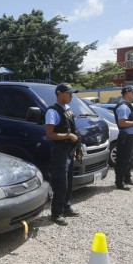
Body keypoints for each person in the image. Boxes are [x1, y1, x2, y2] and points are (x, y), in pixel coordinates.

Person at [45, 83, 81, 226]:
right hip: (59, 151)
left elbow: (73, 129)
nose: (71, 96)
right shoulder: (52, 111)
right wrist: (68, 135)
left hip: (69, 150)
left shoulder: (67, 109)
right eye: (68, 93)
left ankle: (66, 206)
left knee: (69, 181)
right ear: (59, 93)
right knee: (61, 183)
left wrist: (77, 149)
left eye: (72, 93)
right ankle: (56, 213)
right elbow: (49, 134)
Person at [113, 85, 133, 190]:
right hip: (126, 137)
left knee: (129, 159)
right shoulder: (123, 106)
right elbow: (121, 123)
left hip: (130, 136)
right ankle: (119, 182)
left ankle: (127, 178)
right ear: (127, 93)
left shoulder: (128, 105)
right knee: (123, 159)